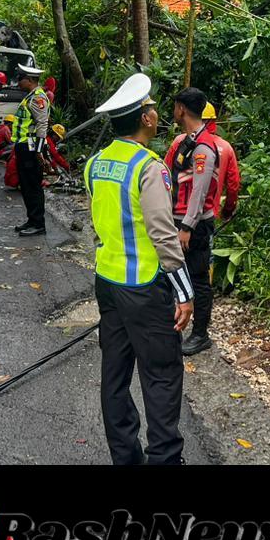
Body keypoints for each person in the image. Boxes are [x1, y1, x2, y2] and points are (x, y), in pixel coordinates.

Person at [85, 73, 194, 465]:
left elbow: (101, 220)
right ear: (146, 119)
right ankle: (165, 458)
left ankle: (125, 457)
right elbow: (164, 235)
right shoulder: (149, 168)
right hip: (146, 288)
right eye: (151, 107)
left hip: (108, 281)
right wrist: (184, 291)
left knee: (114, 373)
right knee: (161, 373)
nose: (156, 112)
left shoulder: (96, 164)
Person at [164, 87, 220, 355]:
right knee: (174, 271)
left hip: (193, 225)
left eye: (175, 106)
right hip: (179, 219)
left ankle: (200, 334)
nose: (173, 111)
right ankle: (175, 321)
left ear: (182, 109)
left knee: (198, 277)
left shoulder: (203, 148)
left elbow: (199, 192)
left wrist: (187, 227)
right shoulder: (188, 140)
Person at [12, 64, 49, 236]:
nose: (18, 82)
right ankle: (32, 220)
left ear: (30, 80)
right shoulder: (30, 96)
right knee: (26, 185)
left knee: (33, 185)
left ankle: (38, 223)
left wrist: (39, 150)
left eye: (21, 79)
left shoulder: (38, 99)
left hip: (31, 147)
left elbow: (42, 124)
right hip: (24, 146)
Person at [203, 102, 241, 222]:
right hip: (208, 215)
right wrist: (228, 210)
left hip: (179, 215)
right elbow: (233, 185)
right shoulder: (225, 147)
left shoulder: (181, 142)